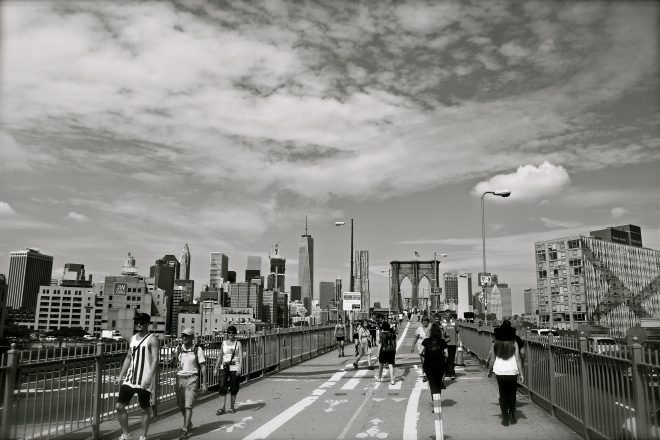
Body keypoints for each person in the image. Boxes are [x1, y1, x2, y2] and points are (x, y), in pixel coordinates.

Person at [115, 313, 160, 440]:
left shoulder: (152, 339)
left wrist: (149, 377)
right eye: (137, 322)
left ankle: (143, 436)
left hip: (144, 378)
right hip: (130, 378)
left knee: (144, 409)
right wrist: (121, 375)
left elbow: (156, 359)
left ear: (147, 323)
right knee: (119, 406)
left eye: (142, 322)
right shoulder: (132, 338)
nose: (139, 324)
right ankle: (126, 434)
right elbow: (128, 358)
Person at [486, 324, 524, 426]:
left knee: (503, 395)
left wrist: (489, 371)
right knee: (512, 394)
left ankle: (505, 418)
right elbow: (518, 359)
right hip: (512, 371)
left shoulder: (495, 343)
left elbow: (492, 360)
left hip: (500, 372)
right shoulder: (514, 343)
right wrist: (521, 373)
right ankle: (512, 415)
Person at [176, 328, 207, 439]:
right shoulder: (178, 349)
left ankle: (185, 430)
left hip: (192, 379)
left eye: (186, 336)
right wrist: (173, 359)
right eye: (183, 335)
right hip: (180, 378)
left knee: (188, 406)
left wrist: (204, 383)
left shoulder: (197, 350)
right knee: (181, 406)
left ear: (191, 337)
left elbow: (203, 366)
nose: (184, 337)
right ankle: (189, 423)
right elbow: (175, 363)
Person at [215, 325, 242, 415]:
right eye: (229, 333)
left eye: (233, 333)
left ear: (235, 334)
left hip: (235, 366)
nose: (231, 334)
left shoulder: (238, 343)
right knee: (222, 386)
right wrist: (216, 367)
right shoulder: (224, 343)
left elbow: (240, 357)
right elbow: (220, 356)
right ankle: (222, 407)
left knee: (234, 386)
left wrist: (239, 368)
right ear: (227, 334)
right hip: (224, 366)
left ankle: (231, 407)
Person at [421, 322, 449, 398]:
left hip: (429, 365)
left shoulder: (426, 341)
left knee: (432, 383)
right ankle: (437, 400)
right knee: (438, 383)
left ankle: (435, 401)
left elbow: (420, 352)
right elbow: (447, 354)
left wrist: (425, 356)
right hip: (440, 365)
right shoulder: (442, 341)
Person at [411, 316, 431, 381]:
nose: (425, 322)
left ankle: (429, 374)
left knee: (429, 361)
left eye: (426, 320)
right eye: (424, 321)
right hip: (421, 347)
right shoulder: (419, 329)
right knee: (423, 361)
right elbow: (415, 338)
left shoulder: (431, 328)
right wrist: (412, 346)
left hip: (429, 347)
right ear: (422, 322)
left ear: (428, 321)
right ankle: (425, 374)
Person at [443, 312, 459, 380]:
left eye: (449, 316)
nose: (448, 317)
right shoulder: (442, 323)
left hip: (453, 343)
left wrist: (458, 341)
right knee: (445, 359)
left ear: (450, 316)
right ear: (444, 316)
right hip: (445, 344)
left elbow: (457, 331)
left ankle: (452, 373)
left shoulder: (454, 322)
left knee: (451, 359)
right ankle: (446, 372)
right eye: (446, 316)